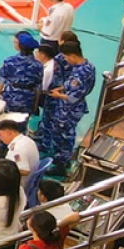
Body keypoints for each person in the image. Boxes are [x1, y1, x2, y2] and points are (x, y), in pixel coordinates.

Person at [39, 40, 94, 176]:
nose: (65, 60)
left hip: (69, 110)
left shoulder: (80, 73)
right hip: (72, 107)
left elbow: (73, 97)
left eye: (66, 57)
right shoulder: (89, 66)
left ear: (73, 56)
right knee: (64, 134)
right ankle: (63, 159)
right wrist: (62, 88)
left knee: (64, 136)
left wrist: (58, 95)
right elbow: (77, 87)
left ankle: (61, 165)